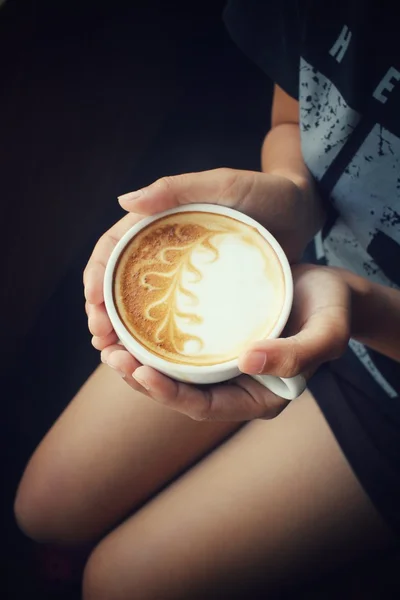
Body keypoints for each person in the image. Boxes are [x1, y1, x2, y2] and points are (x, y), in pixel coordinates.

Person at [14, 1, 400, 598]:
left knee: (117, 585)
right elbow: (293, 123)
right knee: (42, 506)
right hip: (294, 270)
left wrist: (360, 307)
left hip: (388, 395)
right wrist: (295, 197)